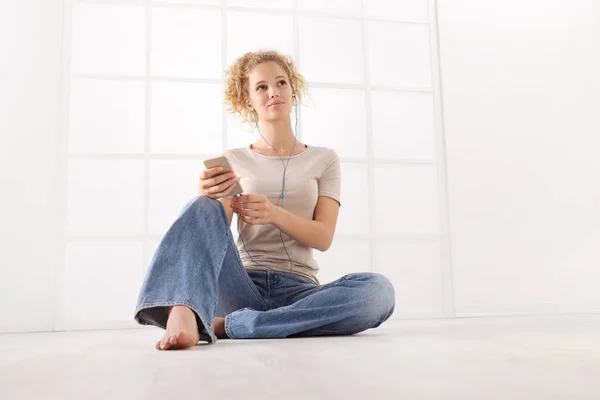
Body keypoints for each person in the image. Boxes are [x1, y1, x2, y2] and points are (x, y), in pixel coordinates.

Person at [134, 50, 395, 350]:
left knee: (379, 292)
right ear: (247, 99)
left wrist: (273, 214)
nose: (273, 92)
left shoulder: (324, 159)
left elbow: (323, 237)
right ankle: (183, 306)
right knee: (199, 206)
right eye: (261, 87)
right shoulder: (234, 159)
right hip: (242, 285)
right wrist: (204, 194)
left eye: (281, 82)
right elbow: (212, 233)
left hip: (301, 290)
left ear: (293, 90)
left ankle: (227, 325)